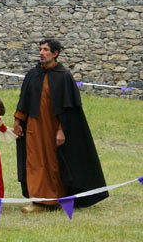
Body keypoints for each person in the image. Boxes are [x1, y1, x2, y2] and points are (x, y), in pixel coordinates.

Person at [13, 38, 108, 212]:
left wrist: (61, 130)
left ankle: (53, 199)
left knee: (54, 163)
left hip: (53, 129)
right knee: (34, 161)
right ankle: (38, 201)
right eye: (40, 49)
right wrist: (18, 121)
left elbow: (70, 108)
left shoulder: (63, 77)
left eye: (46, 49)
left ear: (55, 53)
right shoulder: (33, 74)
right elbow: (24, 99)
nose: (41, 53)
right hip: (34, 127)